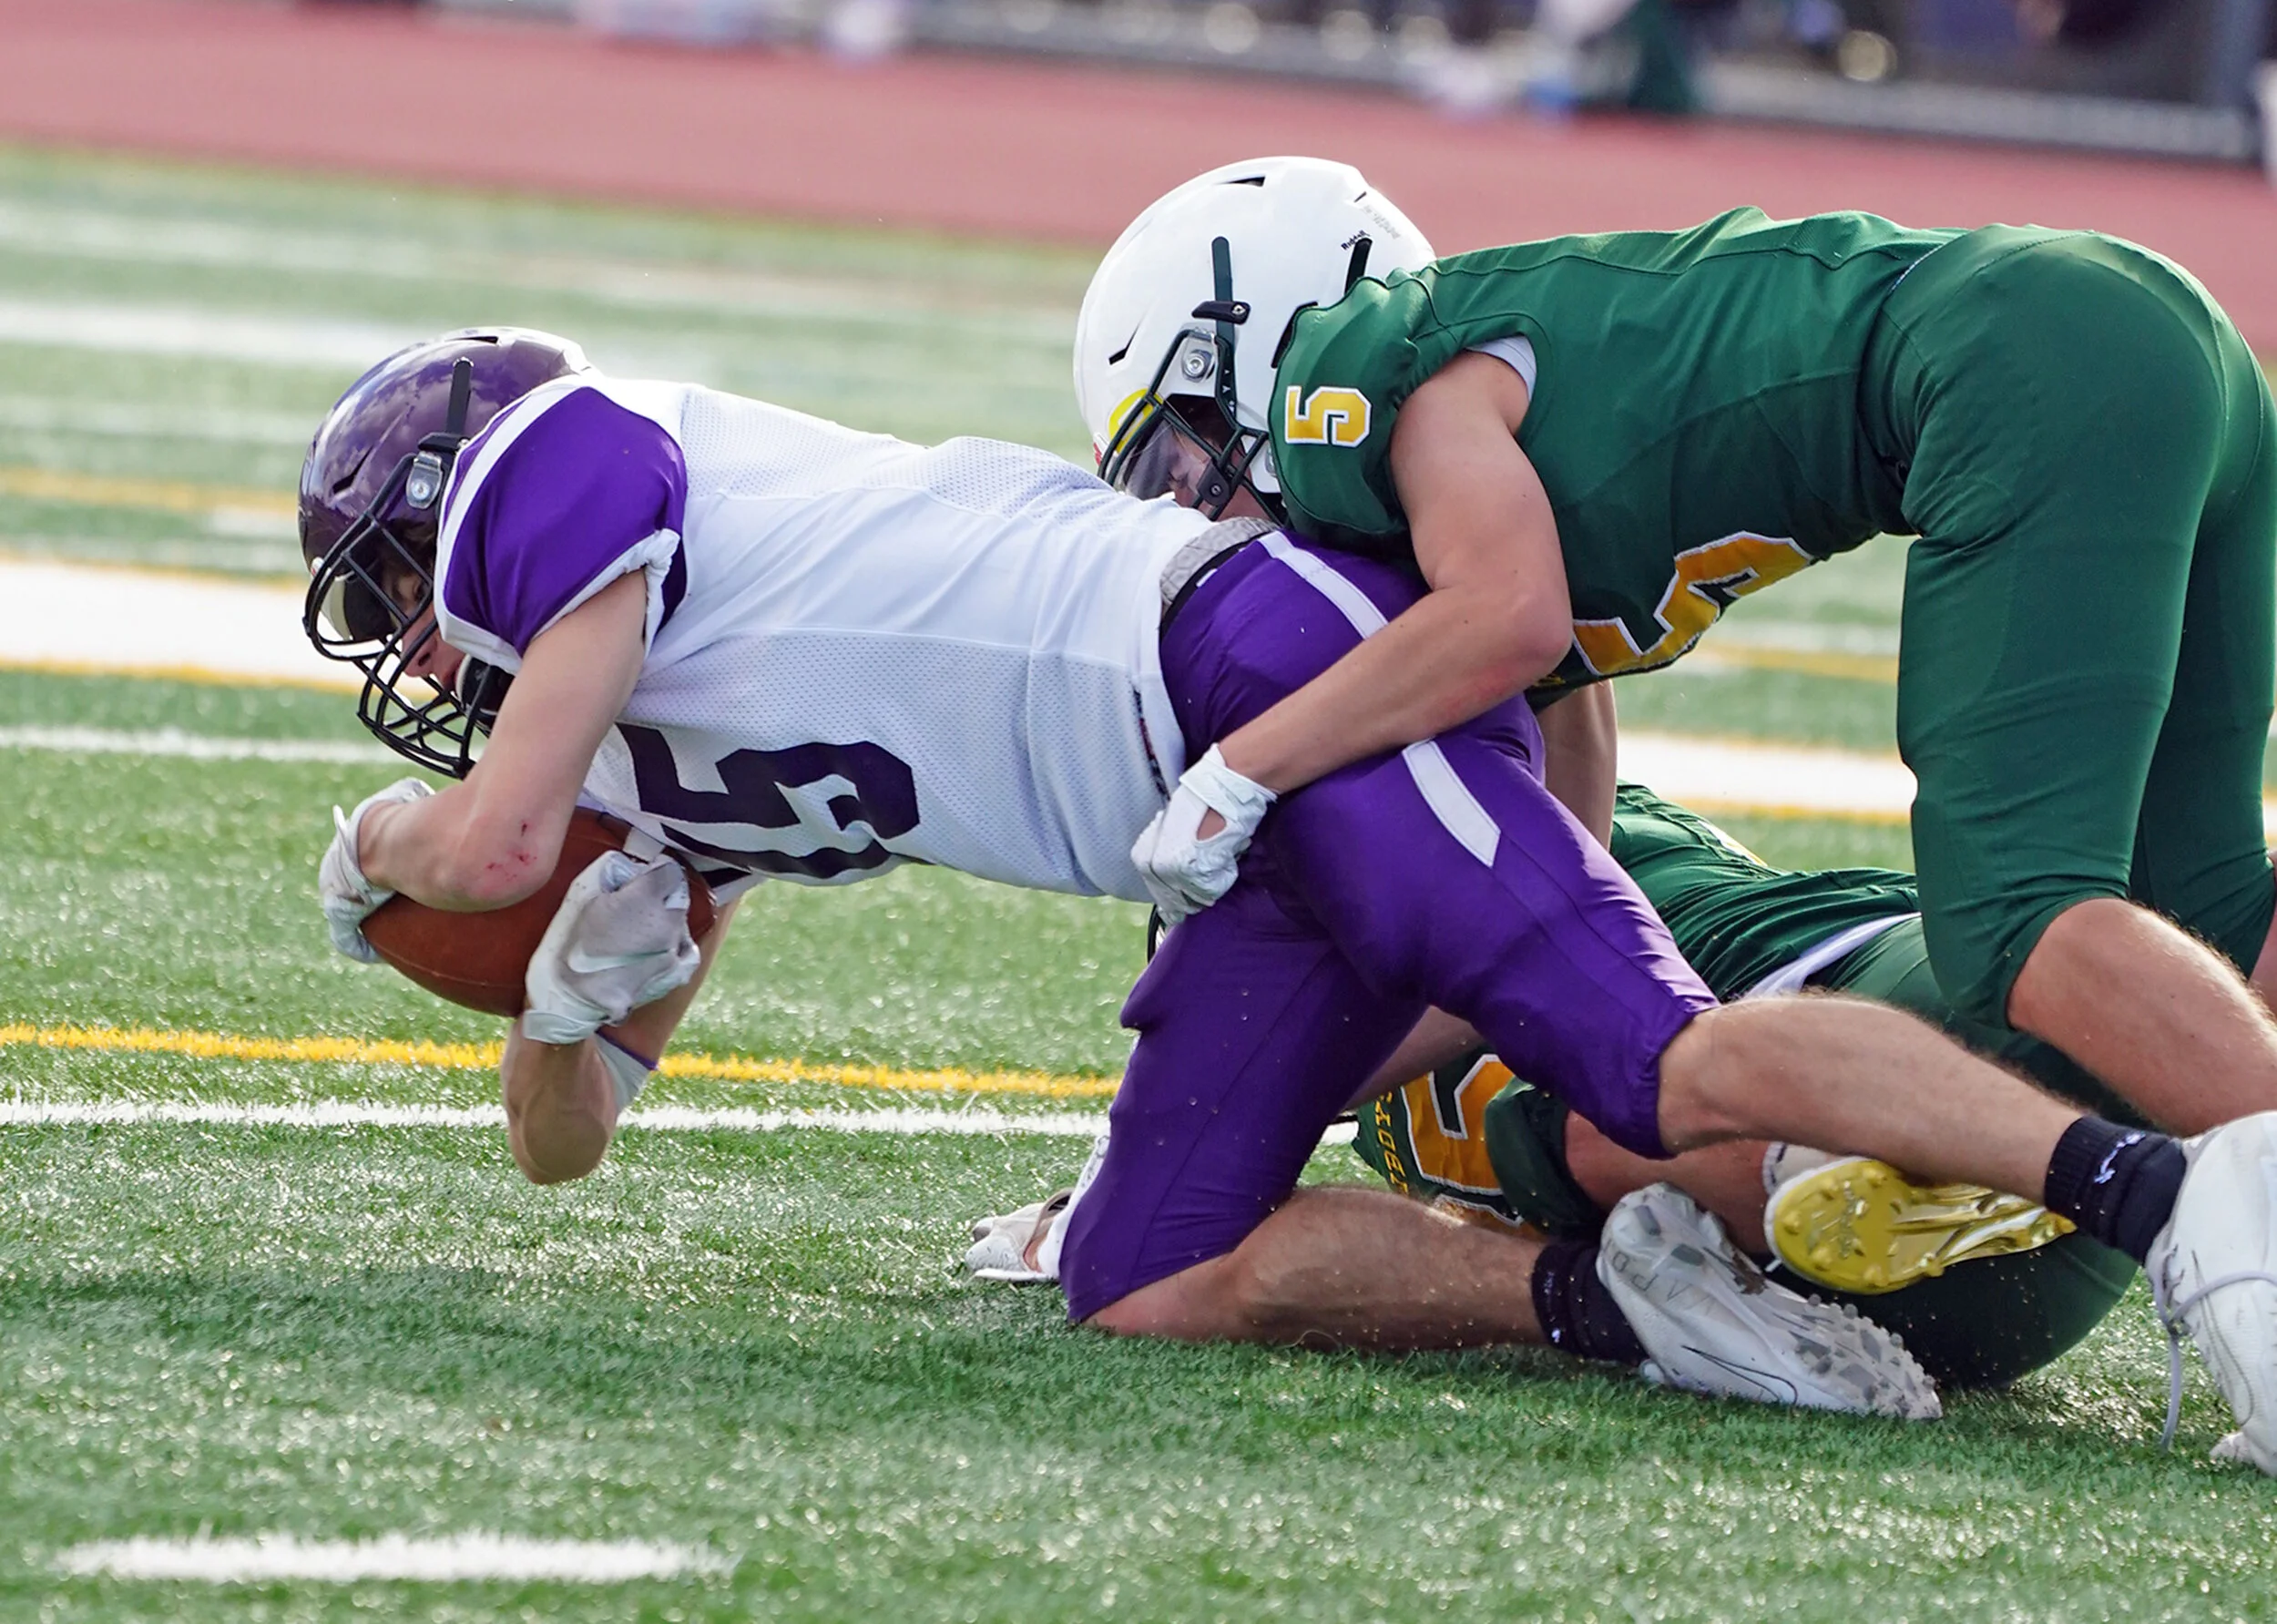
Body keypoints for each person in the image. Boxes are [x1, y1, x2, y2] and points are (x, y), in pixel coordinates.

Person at [301, 324, 2277, 1461]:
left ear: (447, 503)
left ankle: (2174, 1192)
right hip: (1227, 840)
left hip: (1269, 682)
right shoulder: (649, 766)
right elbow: (570, 1143)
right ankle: (1627, 1312)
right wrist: (565, 1000)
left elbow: (470, 843)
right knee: (1143, 1275)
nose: (413, 642)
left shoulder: (569, 454)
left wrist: (372, 851)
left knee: (1654, 1061)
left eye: (393, 590)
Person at [1075, 158, 2277, 1167]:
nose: (1190, 519)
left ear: (1241, 352)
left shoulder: (1342, 387)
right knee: (2211, 903)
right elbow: (1562, 877)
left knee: (2016, 918)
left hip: (2032, 363)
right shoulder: (1458, 512)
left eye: (1174, 467)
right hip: (2140, 340)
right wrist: (1254, 1086)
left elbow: (1514, 616)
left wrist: (1239, 764)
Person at [972, 781, 2135, 1392]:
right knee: (1614, 1120)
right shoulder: (1426, 844)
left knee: (1616, 1116)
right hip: (1951, 1254)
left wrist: (1126, 1183)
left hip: (1880, 1128)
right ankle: (1916, 1173)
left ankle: (1860, 1168)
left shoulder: (1458, 853)